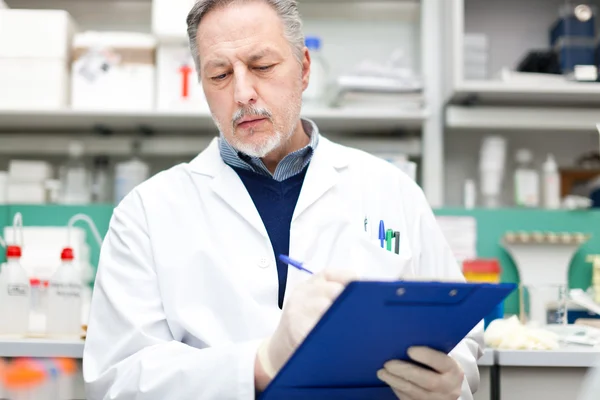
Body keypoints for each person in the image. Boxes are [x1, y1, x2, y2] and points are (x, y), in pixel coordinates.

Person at [83, 0, 484, 399]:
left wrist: (453, 385)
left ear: (304, 68)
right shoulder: (146, 212)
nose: (243, 93)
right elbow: (119, 379)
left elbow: (460, 336)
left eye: (262, 66)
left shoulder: (391, 191)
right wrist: (260, 364)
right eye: (220, 74)